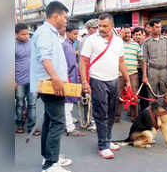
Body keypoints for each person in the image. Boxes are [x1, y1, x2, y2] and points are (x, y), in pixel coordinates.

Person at [30, 1, 72, 172]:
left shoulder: (49, 33)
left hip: (51, 83)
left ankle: (48, 157)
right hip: (50, 84)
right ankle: (50, 165)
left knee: (49, 121)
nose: (66, 20)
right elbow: (45, 58)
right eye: (64, 16)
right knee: (57, 122)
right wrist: (56, 78)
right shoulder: (46, 33)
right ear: (56, 16)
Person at [80, 13, 131, 159]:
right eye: (99, 26)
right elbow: (83, 62)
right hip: (97, 80)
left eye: (104, 26)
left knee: (111, 113)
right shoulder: (91, 40)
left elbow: (121, 62)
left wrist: (127, 80)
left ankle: (108, 140)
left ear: (112, 26)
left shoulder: (118, 41)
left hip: (114, 80)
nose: (101, 29)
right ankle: (102, 145)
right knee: (101, 114)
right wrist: (85, 82)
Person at [142, 19, 167, 99]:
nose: (159, 29)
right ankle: (153, 111)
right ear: (151, 28)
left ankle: (163, 111)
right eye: (157, 27)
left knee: (165, 94)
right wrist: (144, 76)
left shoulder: (166, 40)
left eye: (160, 27)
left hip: (164, 70)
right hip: (152, 71)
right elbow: (144, 60)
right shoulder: (146, 42)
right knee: (151, 94)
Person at [61, 24, 85, 137]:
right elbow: (69, 66)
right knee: (68, 105)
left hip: (71, 77)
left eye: (77, 34)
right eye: (75, 34)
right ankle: (69, 128)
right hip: (69, 78)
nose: (76, 36)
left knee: (68, 105)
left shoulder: (70, 45)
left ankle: (68, 123)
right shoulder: (66, 46)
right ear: (68, 33)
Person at [15, 23, 38, 135]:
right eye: (23, 34)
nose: (26, 36)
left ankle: (31, 127)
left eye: (27, 34)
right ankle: (19, 124)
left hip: (33, 80)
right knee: (19, 103)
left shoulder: (33, 43)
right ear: (16, 35)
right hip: (19, 81)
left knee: (32, 104)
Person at [116, 24, 142, 122]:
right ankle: (116, 116)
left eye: (129, 33)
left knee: (133, 95)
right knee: (118, 95)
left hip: (133, 74)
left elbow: (140, 59)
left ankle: (134, 117)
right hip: (119, 74)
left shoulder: (136, 45)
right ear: (121, 33)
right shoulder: (117, 44)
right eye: (125, 32)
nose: (127, 35)